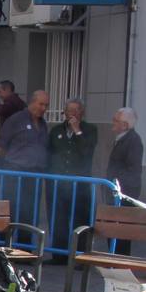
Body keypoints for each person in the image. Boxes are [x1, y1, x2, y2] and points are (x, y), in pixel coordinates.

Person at [47, 98, 98, 257]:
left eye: (76, 110)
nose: (72, 114)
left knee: (80, 221)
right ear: (64, 112)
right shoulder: (56, 130)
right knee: (59, 219)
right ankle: (59, 255)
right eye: (69, 110)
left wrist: (77, 131)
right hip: (60, 183)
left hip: (80, 184)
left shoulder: (90, 130)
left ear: (81, 112)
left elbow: (87, 152)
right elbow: (50, 154)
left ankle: (81, 255)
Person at [0, 90, 50, 226]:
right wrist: (12, 164)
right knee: (10, 212)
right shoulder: (16, 120)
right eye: (41, 104)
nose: (44, 108)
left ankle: (25, 246)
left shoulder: (43, 124)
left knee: (30, 214)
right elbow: (1, 147)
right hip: (15, 173)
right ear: (32, 102)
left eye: (46, 105)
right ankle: (4, 245)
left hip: (35, 175)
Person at [108, 107, 144, 255]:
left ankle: (120, 261)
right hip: (117, 192)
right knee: (114, 230)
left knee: (121, 232)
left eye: (116, 120)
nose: (113, 123)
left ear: (124, 125)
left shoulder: (133, 141)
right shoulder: (122, 138)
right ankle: (114, 259)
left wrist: (118, 188)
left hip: (124, 193)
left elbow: (133, 170)